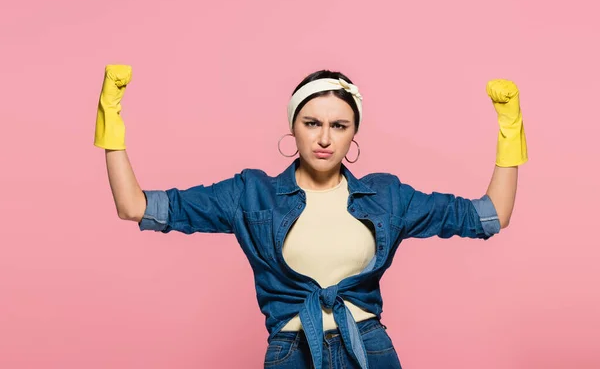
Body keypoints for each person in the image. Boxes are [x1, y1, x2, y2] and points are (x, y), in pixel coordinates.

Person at [95, 64, 527, 369]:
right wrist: (111, 120)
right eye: (311, 123)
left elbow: (490, 216)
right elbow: (135, 206)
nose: (324, 138)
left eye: (339, 126)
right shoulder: (251, 194)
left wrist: (510, 128)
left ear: (354, 132)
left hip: (369, 350)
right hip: (290, 352)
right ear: (293, 126)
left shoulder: (387, 197)